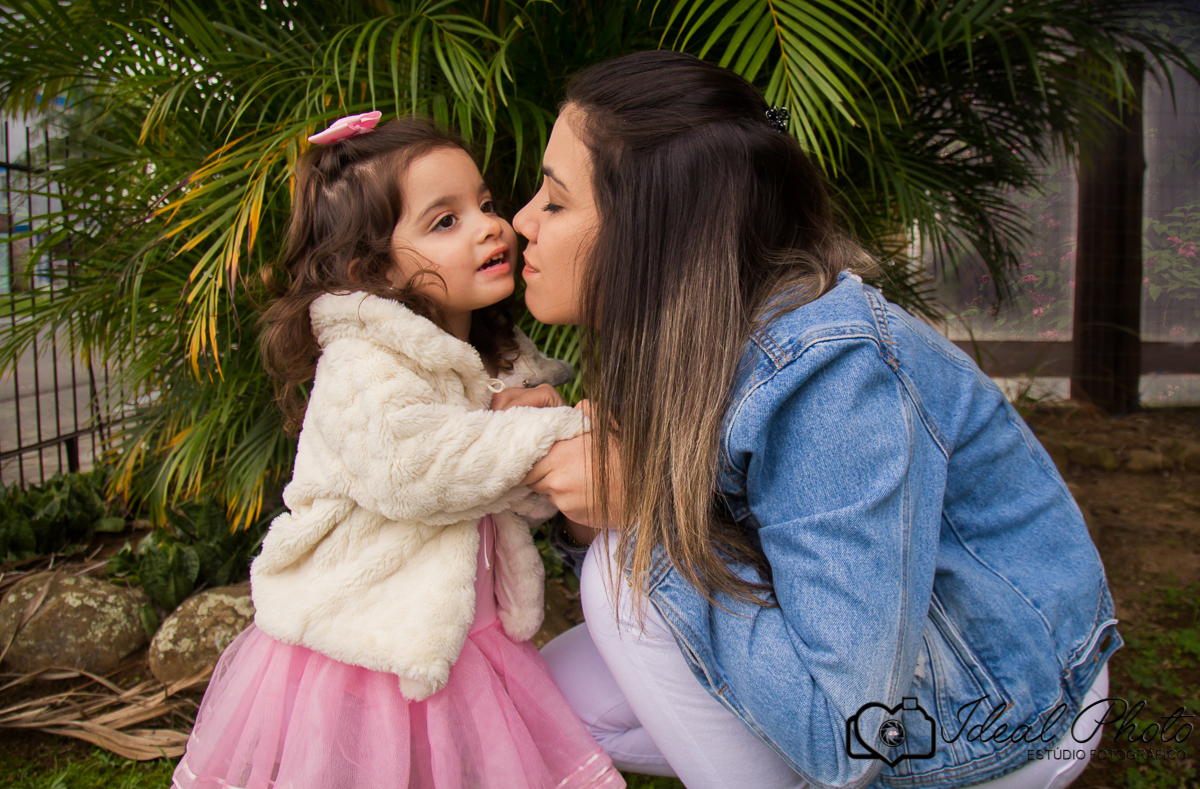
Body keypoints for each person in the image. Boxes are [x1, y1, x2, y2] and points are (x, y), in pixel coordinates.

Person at [497, 51, 1119, 789]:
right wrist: (586, 492)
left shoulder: (829, 373)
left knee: (623, 581)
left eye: (557, 200)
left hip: (996, 695)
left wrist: (639, 507)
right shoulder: (682, 332)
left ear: (652, 231)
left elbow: (847, 736)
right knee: (544, 702)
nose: (521, 220)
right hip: (856, 648)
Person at [172, 113, 624, 789]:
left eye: (485, 204)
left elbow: (508, 482)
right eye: (445, 221)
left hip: (459, 629)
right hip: (364, 643)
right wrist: (546, 434)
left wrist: (530, 428)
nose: (489, 226)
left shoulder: (490, 355)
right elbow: (417, 471)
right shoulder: (364, 361)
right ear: (374, 266)